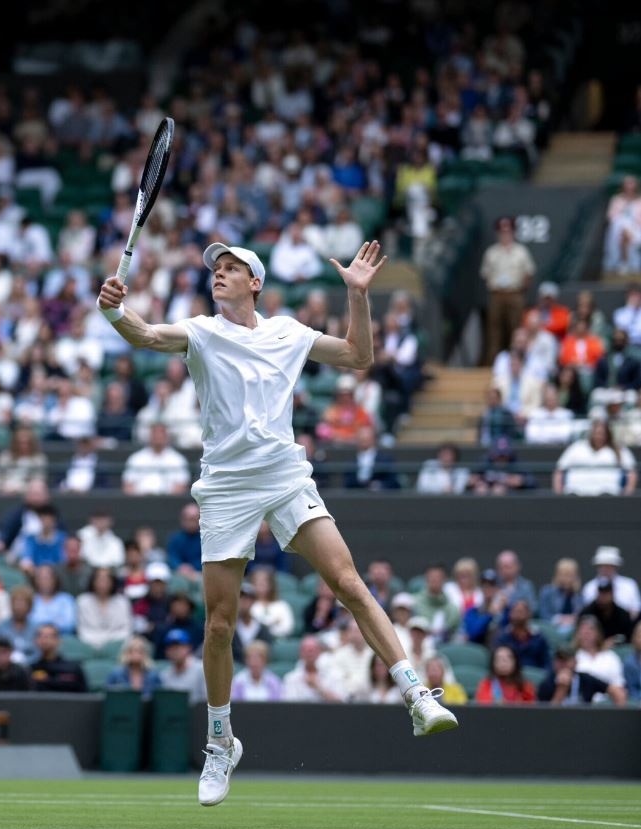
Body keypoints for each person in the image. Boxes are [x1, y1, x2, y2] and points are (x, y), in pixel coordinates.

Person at [104, 240, 457, 797]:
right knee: (219, 625)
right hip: (225, 485)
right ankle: (221, 743)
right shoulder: (201, 331)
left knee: (348, 583)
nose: (218, 276)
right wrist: (115, 310)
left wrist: (357, 296)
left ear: (255, 283)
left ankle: (416, 694)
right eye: (215, 271)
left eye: (230, 269)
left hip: (285, 476)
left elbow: (358, 357)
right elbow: (147, 335)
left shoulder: (289, 334)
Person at [480, 217, 536, 363]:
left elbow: (528, 272)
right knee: (494, 329)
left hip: (515, 293)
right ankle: (493, 362)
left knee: (516, 328)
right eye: (502, 232)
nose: (505, 235)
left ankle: (518, 360)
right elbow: (485, 274)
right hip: (497, 294)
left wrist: (521, 288)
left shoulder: (521, 251)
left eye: (508, 231)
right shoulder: (491, 252)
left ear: (513, 233)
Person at [553, 419, 637, 496]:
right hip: (575, 492)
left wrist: (626, 495)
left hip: (608, 493)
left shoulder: (619, 449)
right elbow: (559, 471)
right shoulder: (576, 447)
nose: (599, 436)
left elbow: (631, 473)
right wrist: (559, 495)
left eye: (602, 434)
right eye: (596, 433)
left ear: (608, 434)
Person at [539, 644, 628, 705]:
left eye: (566, 660)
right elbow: (547, 717)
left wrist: (619, 703)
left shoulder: (586, 679)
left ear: (575, 662)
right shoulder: (546, 684)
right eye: (559, 660)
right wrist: (561, 690)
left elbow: (614, 691)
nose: (563, 664)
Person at [75, 568, 132, 651]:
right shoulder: (83, 601)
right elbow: (82, 631)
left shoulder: (122, 602)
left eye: (107, 579)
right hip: (90, 647)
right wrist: (103, 642)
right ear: (93, 581)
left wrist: (109, 643)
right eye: (99, 579)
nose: (103, 583)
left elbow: (126, 630)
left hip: (117, 647)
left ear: (113, 581)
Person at [579, 546, 640, 618]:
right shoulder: (589, 587)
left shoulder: (629, 585)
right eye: (603, 566)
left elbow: (636, 610)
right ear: (598, 567)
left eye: (610, 566)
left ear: (616, 566)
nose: (606, 569)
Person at [28, 623, 88, 693]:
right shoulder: (30, 669)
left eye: (49, 636)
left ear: (58, 640)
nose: (44, 640)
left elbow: (85, 697)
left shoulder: (73, 668)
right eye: (41, 636)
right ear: (35, 641)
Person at [281, 635, 340, 703]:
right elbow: (289, 707)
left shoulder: (333, 675)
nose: (309, 653)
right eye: (306, 650)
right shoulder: (290, 679)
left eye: (312, 650)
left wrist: (318, 688)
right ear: (300, 653)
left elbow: (340, 703)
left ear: (319, 652)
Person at [159, 628, 208, 705]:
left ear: (189, 647)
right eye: (171, 647)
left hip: (198, 715)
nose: (175, 651)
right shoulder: (164, 675)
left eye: (178, 646)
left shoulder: (202, 669)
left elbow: (207, 701)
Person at [105, 635, 162, 700]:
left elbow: (160, 698)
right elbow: (108, 696)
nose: (136, 654)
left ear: (145, 654)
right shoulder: (116, 674)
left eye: (140, 651)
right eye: (132, 651)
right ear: (126, 653)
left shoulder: (153, 675)